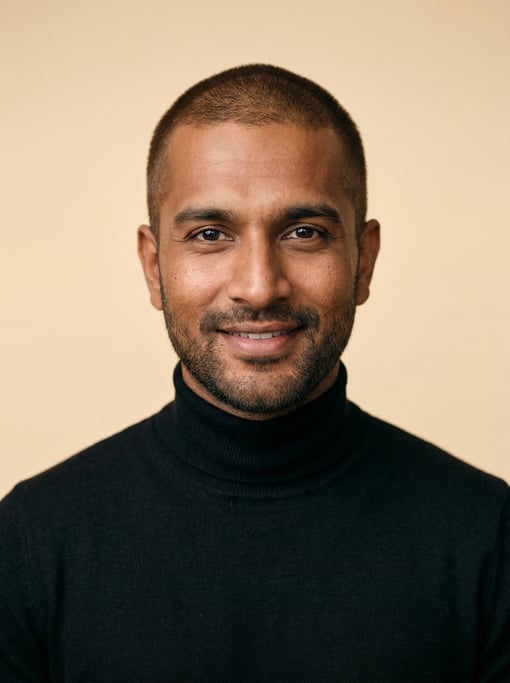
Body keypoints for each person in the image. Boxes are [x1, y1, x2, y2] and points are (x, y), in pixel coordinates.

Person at [0, 64, 508, 682]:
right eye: (210, 234)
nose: (259, 286)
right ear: (154, 267)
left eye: (304, 232)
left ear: (364, 261)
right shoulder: (32, 539)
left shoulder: (487, 534)